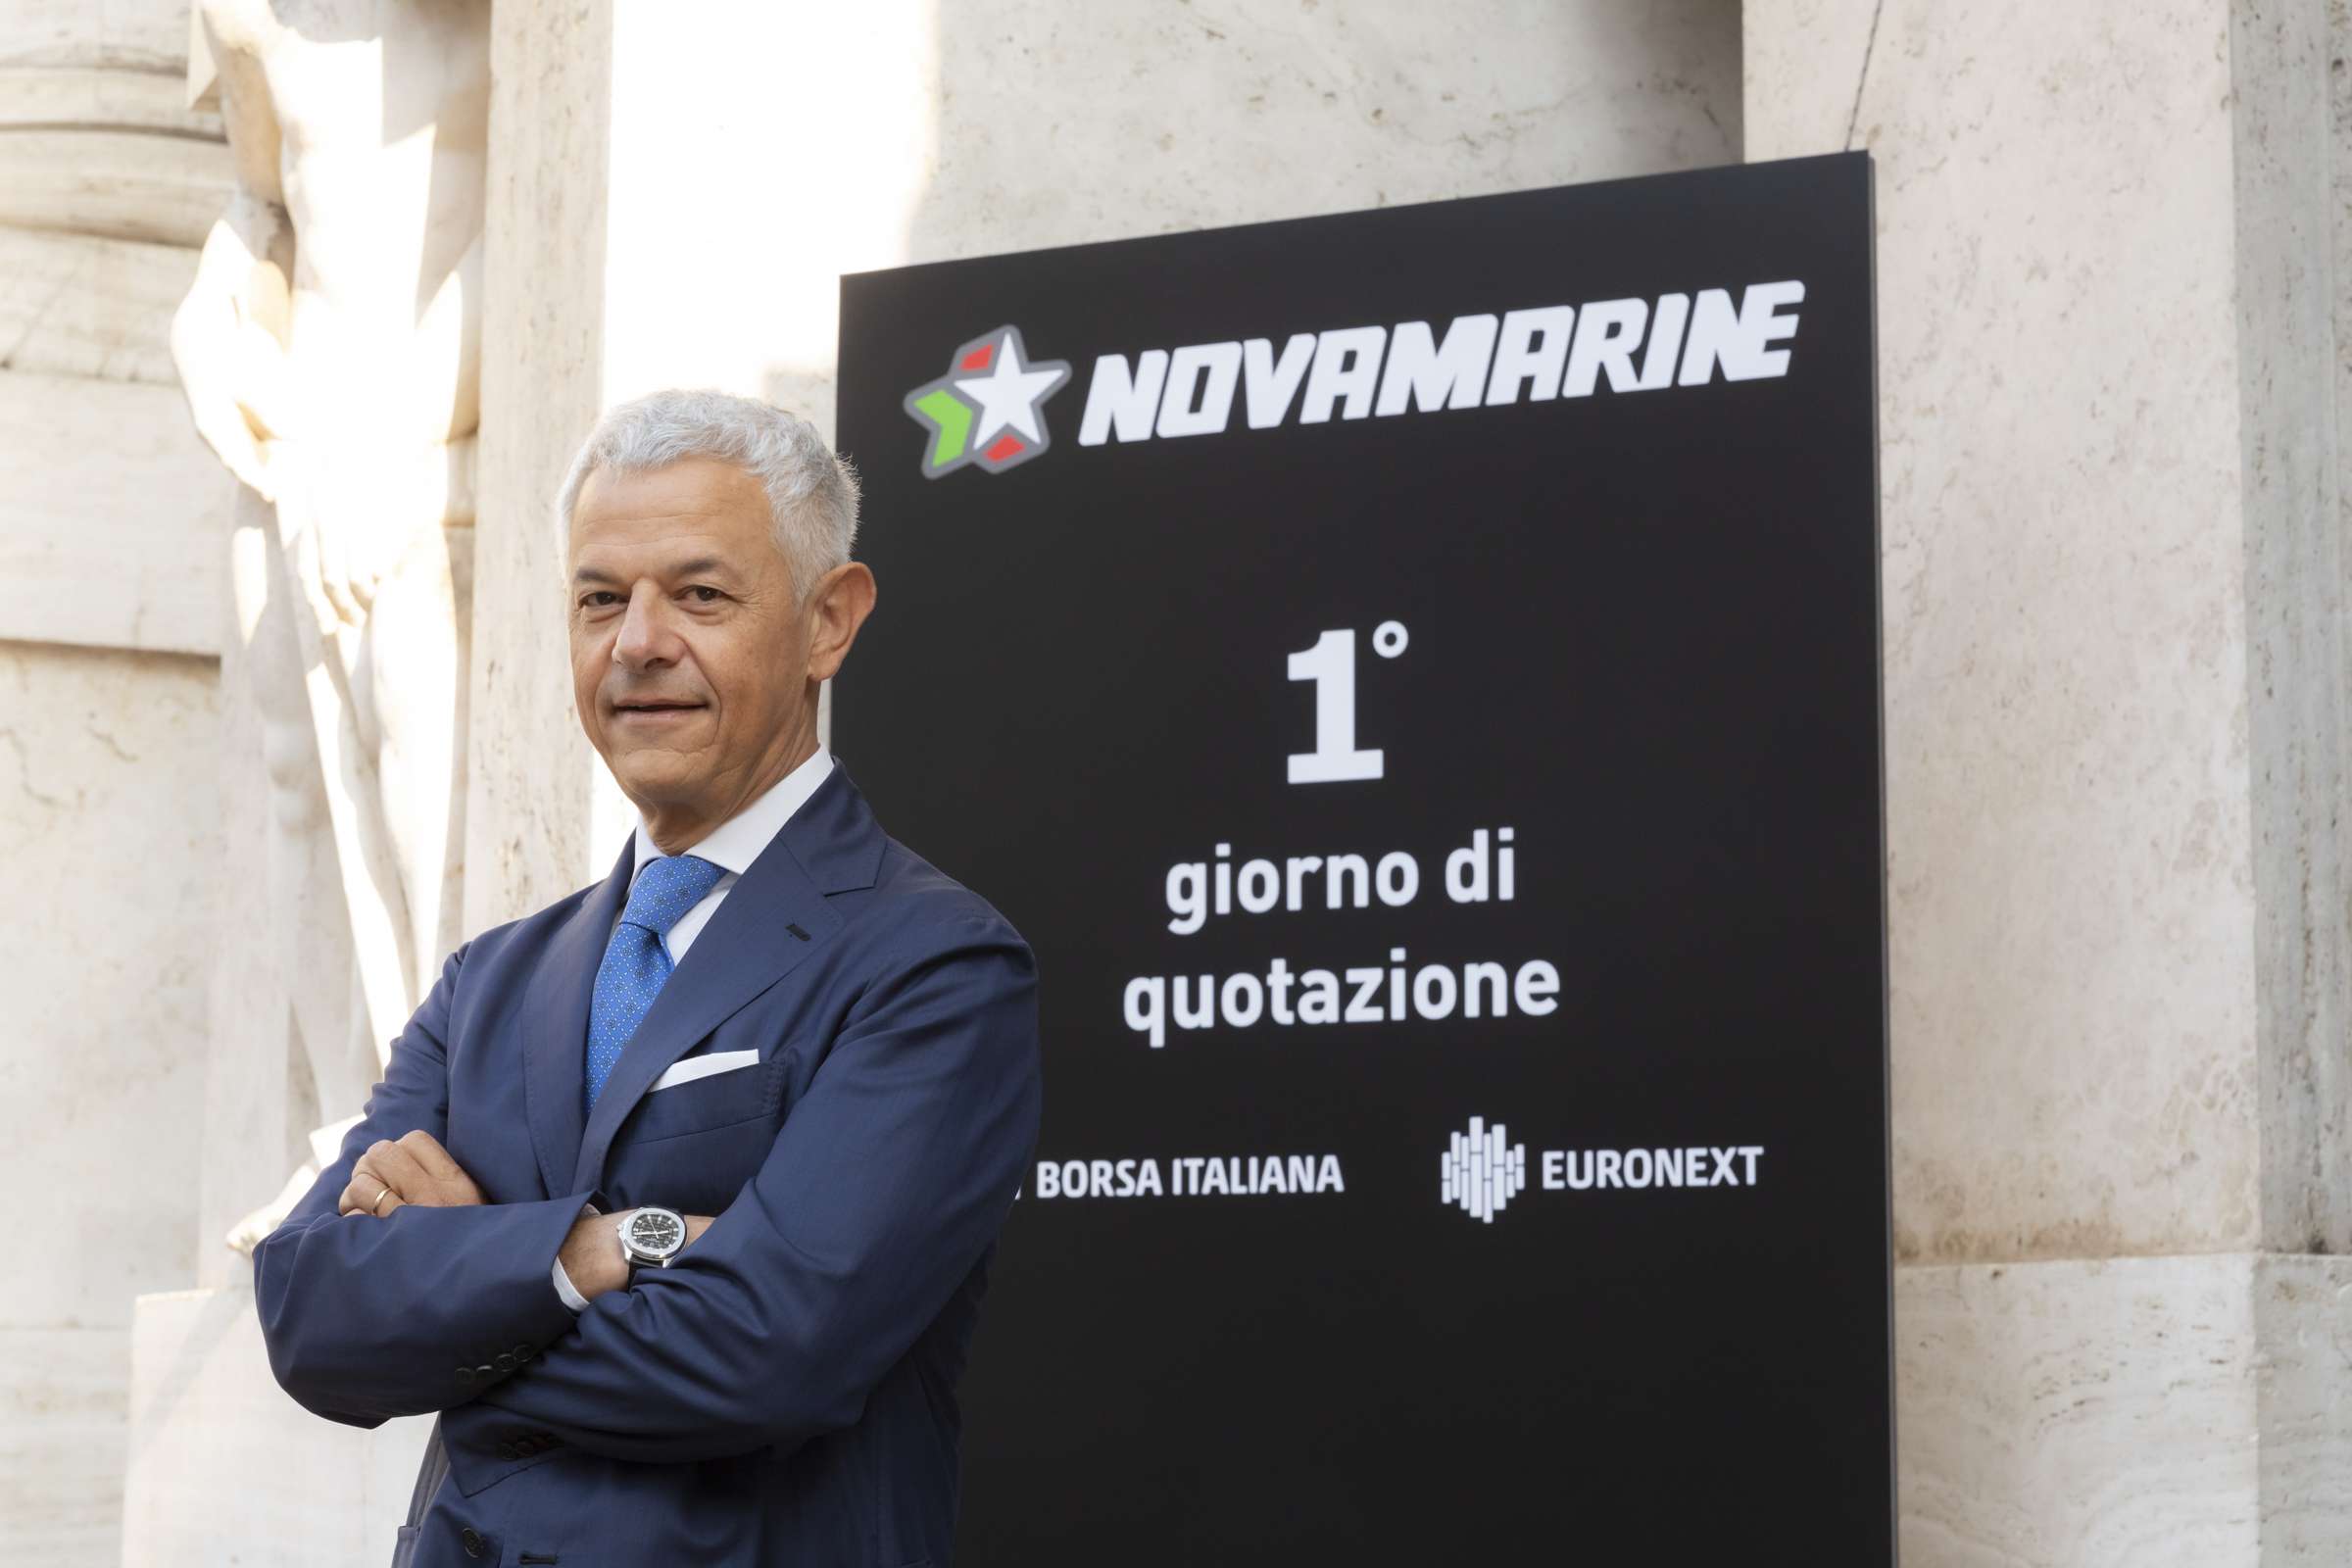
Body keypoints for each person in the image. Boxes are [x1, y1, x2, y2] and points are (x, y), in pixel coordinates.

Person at [252, 389, 1043, 1568]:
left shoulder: (934, 965)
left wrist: (461, 1298)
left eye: (700, 594)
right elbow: (309, 1312)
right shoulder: (490, 982)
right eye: (600, 599)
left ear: (829, 621)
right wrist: (594, 1250)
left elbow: (766, 1352)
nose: (637, 642)